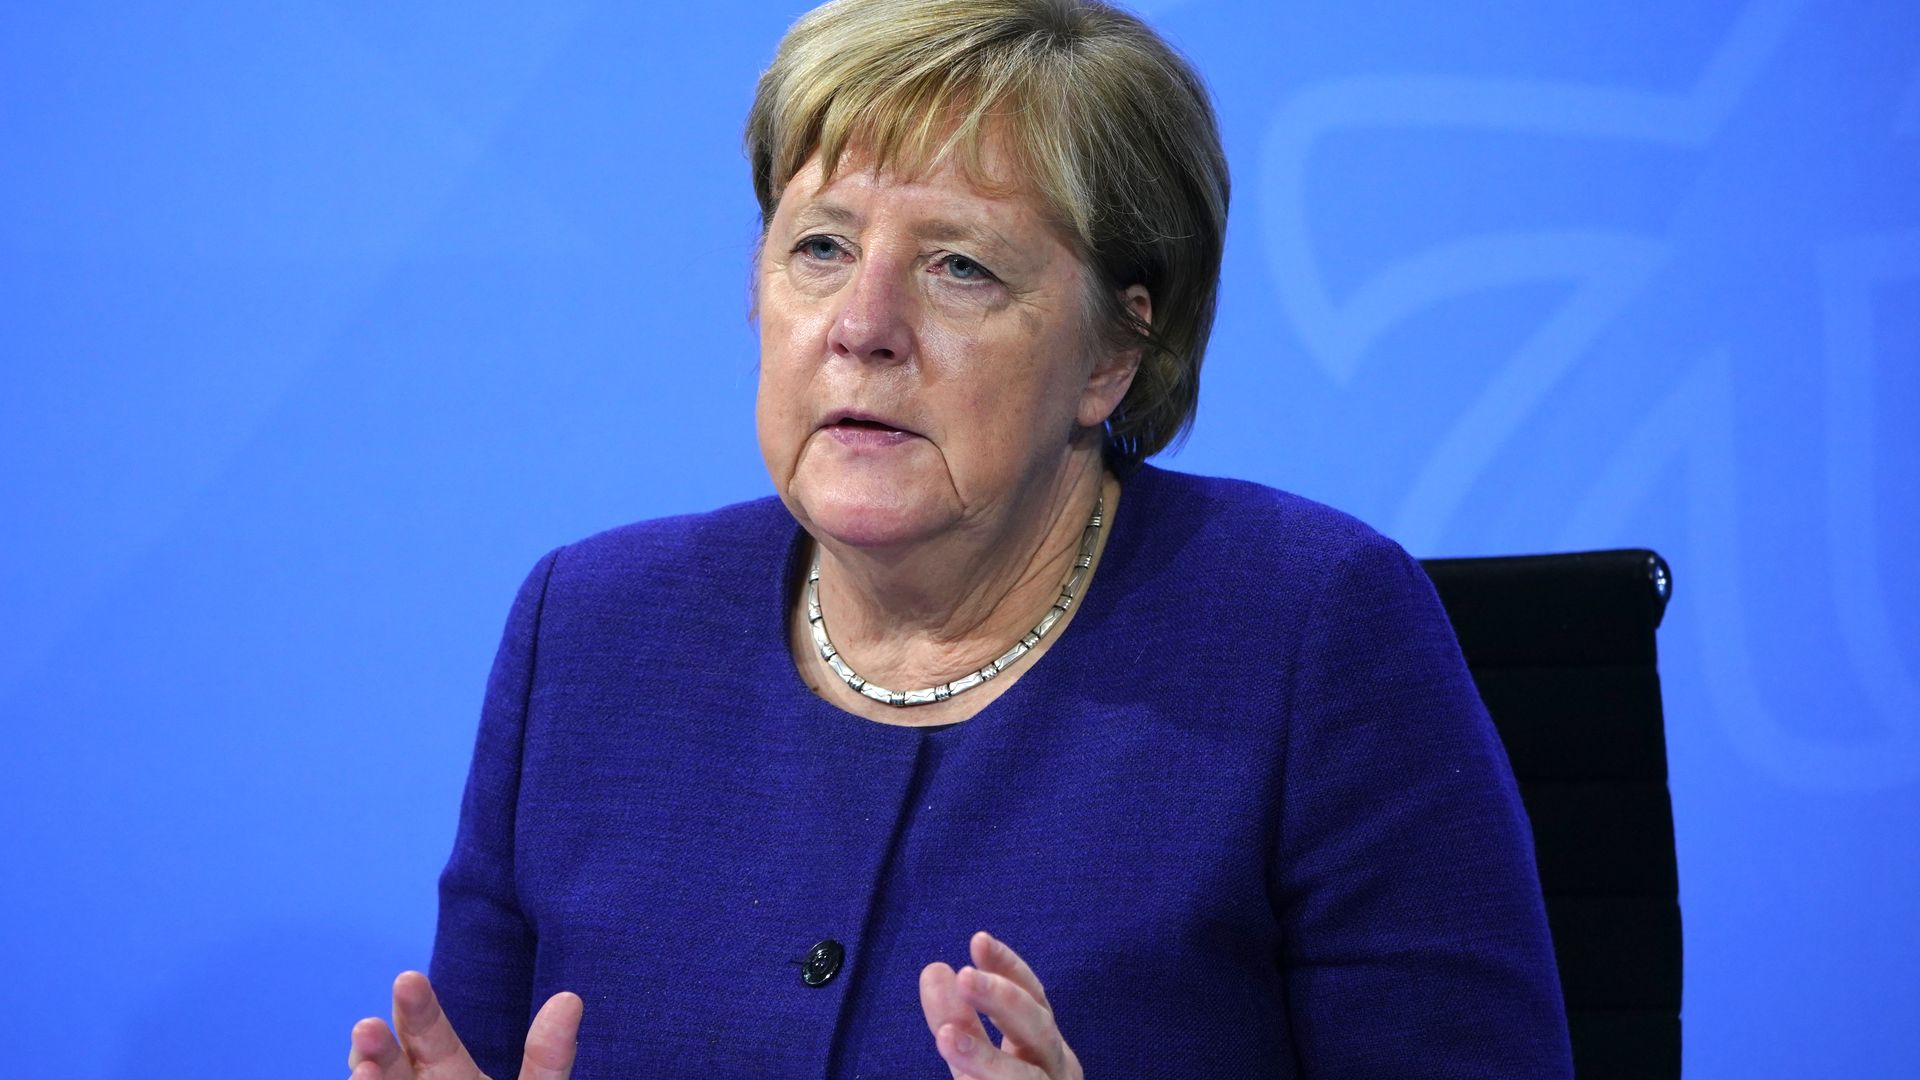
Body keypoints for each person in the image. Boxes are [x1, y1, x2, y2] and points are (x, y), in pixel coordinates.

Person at [347, 0, 1573, 1076]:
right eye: (821, 247)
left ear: (1112, 352)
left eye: (960, 269)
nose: (863, 325)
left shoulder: (1314, 631)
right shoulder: (595, 630)